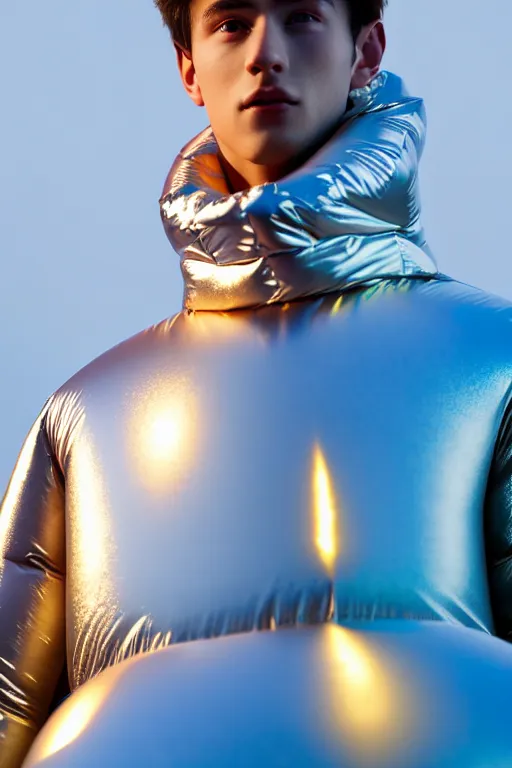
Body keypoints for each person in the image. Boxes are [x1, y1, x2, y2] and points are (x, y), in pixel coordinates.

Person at [3, 0, 512, 765]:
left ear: (366, 49)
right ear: (188, 69)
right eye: (231, 22)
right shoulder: (84, 417)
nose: (264, 53)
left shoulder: (493, 364)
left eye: (303, 16)